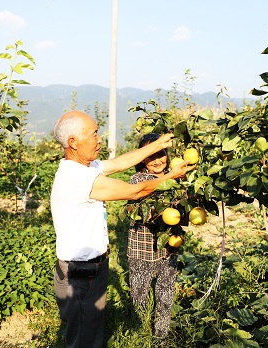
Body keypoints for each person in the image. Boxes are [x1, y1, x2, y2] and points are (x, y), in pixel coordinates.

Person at [50, 111, 193, 348]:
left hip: (92, 267)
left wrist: (156, 144)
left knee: (92, 328)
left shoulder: (84, 167)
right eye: (93, 134)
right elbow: (134, 191)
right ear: (73, 142)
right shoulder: (77, 178)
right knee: (83, 336)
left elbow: (120, 163)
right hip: (80, 272)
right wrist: (170, 176)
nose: (99, 139)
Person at [127, 133, 182, 343]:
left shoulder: (175, 178)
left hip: (168, 247)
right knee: (139, 294)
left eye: (161, 154)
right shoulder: (138, 179)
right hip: (142, 249)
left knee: (166, 293)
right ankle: (139, 333)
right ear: (142, 158)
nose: (158, 160)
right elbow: (148, 212)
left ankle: (161, 336)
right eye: (152, 156)